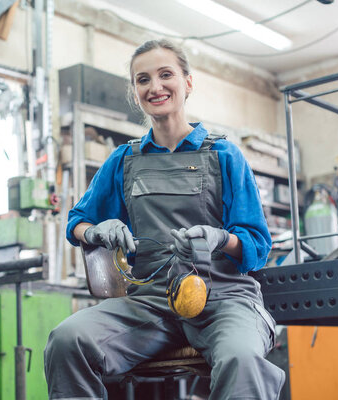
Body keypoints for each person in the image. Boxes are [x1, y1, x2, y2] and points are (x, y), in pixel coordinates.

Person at [44, 39, 285, 400]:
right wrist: (96, 230)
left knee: (242, 360)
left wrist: (221, 239)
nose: (155, 87)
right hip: (151, 302)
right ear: (135, 91)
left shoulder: (223, 154)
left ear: (188, 83)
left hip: (223, 298)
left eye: (165, 75)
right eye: (143, 80)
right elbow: (76, 223)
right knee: (66, 341)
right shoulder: (124, 160)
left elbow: (256, 244)